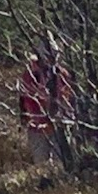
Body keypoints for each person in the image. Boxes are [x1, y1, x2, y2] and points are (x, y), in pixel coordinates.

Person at [19, 38, 75, 167]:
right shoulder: (30, 75)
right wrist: (38, 121)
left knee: (61, 162)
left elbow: (68, 97)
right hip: (37, 127)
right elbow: (27, 100)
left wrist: (66, 116)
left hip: (60, 124)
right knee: (40, 162)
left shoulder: (63, 74)